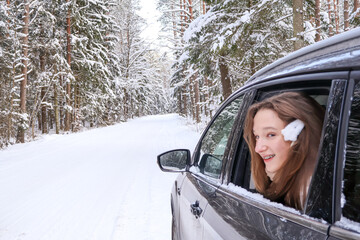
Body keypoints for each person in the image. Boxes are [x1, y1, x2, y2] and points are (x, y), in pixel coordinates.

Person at [243, 92, 325, 211]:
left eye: (271, 134)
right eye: (257, 137)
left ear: (298, 136)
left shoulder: (309, 198)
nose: (258, 149)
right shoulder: (288, 187)